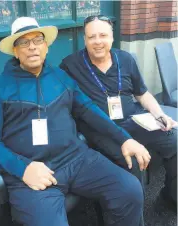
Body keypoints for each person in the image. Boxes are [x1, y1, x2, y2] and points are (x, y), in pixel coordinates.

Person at [0, 17, 150, 226]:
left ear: (46, 46)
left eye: (38, 40)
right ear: (15, 51)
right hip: (34, 173)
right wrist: (22, 169)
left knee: (130, 191)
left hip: (76, 159)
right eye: (24, 42)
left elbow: (88, 109)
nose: (32, 47)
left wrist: (124, 139)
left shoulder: (61, 77)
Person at [60, 15, 177, 211]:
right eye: (91, 37)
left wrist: (159, 114)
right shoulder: (70, 65)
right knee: (132, 161)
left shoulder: (125, 59)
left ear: (112, 36)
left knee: (175, 139)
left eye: (103, 35)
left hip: (134, 120)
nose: (97, 41)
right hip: (98, 129)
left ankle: (171, 195)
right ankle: (132, 216)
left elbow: (142, 93)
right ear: (85, 39)